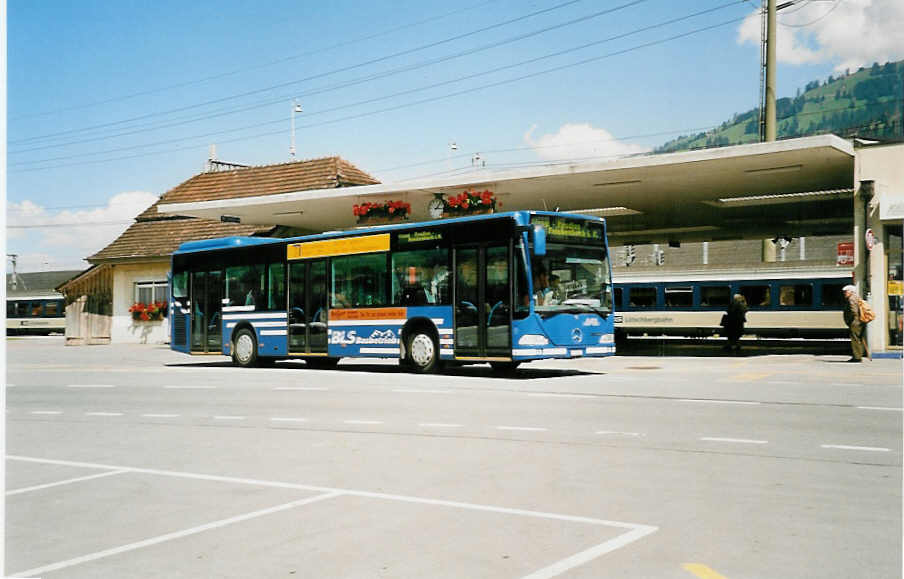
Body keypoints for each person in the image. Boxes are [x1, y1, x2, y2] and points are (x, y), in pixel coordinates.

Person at [842, 284, 869, 362]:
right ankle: (859, 355)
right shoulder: (857, 297)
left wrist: (850, 321)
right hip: (860, 321)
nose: (844, 293)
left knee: (855, 340)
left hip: (855, 322)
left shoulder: (851, 299)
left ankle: (857, 357)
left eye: (846, 292)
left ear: (851, 292)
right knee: (859, 339)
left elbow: (853, 311)